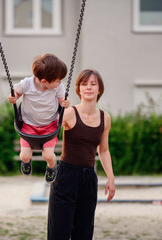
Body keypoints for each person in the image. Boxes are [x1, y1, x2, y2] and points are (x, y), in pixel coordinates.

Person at [47, 69, 116, 240]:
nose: (88, 88)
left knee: (84, 233)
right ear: (78, 89)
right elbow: (48, 130)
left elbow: (104, 150)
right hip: (65, 177)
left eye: (93, 84)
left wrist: (111, 177)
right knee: (59, 233)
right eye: (84, 84)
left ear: (100, 89)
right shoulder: (69, 112)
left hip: (88, 179)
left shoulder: (105, 118)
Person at [8, 53, 70, 183]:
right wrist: (12, 97)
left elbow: (62, 100)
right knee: (24, 156)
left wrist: (65, 103)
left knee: (48, 155)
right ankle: (26, 162)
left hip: (50, 126)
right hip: (28, 125)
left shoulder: (57, 87)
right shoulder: (27, 84)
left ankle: (52, 167)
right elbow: (16, 93)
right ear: (44, 81)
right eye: (58, 80)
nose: (60, 83)